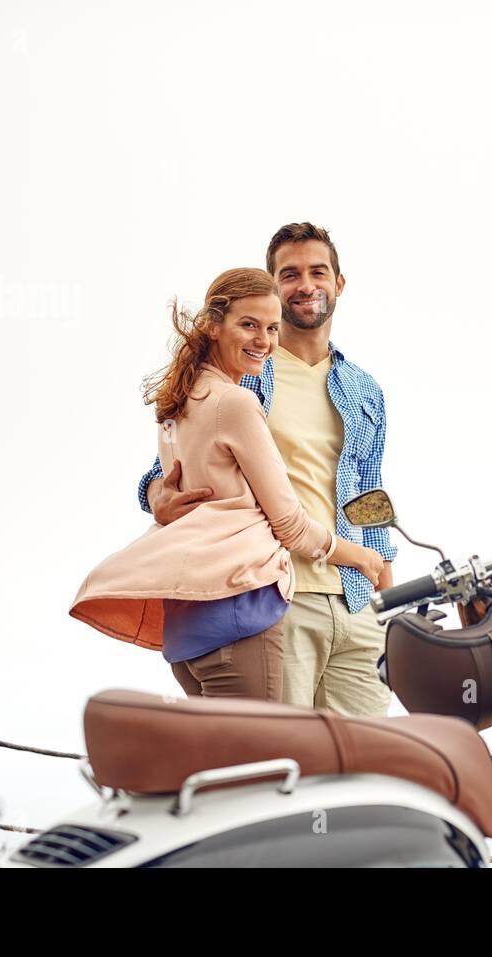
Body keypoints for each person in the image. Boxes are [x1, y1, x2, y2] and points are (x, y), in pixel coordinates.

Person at [70, 267, 385, 700]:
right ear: (214, 325)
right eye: (250, 325)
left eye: (271, 328)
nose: (264, 340)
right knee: (265, 763)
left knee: (234, 761)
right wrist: (360, 557)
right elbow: (288, 523)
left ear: (339, 283)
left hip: (207, 624)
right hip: (249, 605)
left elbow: (369, 488)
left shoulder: (181, 399)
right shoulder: (240, 396)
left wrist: (387, 594)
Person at [138, 223, 397, 717]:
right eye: (290, 274)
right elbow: (164, 471)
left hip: (357, 604)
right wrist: (157, 497)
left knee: (362, 770)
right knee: (284, 771)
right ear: (273, 288)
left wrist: (392, 613)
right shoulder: (247, 371)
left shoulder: (365, 390)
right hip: (276, 600)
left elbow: (371, 500)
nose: (305, 285)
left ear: (339, 283)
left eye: (318, 272)